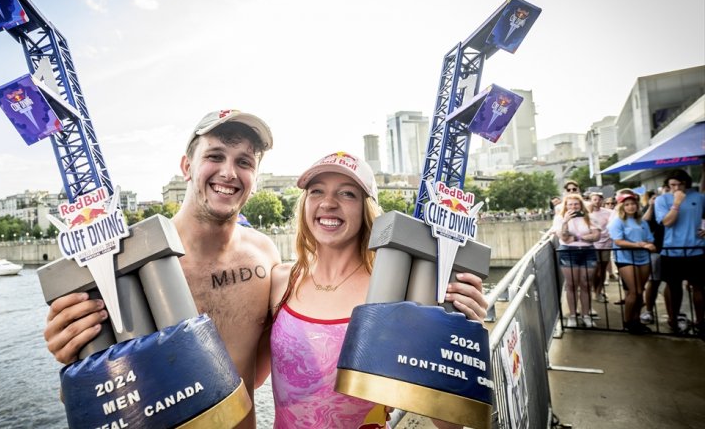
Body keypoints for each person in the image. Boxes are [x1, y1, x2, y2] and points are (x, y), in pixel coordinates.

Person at [43, 109, 282, 428]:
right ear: (187, 166)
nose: (228, 172)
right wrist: (70, 347)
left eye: (244, 161)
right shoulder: (127, 263)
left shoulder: (264, 255)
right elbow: (90, 396)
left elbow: (259, 373)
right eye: (215, 156)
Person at [260, 152, 487, 429]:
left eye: (347, 194)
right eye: (316, 191)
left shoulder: (395, 294)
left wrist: (462, 338)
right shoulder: (281, 281)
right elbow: (251, 376)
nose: (328, 203)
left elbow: (448, 423)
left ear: (367, 209)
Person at [654, 169, 705, 336]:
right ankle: (673, 319)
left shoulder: (699, 197)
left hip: (696, 249)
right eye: (672, 185)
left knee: (699, 287)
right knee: (674, 288)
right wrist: (676, 203)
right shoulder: (662, 200)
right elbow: (667, 223)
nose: (675, 187)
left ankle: (700, 321)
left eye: (679, 184)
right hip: (672, 251)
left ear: (686, 183)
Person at [607, 192, 656, 334]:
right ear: (622, 206)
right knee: (634, 292)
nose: (630, 207)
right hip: (625, 258)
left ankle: (637, 321)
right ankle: (628, 322)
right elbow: (618, 241)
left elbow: (649, 239)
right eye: (627, 204)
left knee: (641, 292)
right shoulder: (617, 221)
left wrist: (648, 245)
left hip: (643, 258)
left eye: (633, 204)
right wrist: (640, 245)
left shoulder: (643, 222)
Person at [553, 193, 600, 328]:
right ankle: (572, 315)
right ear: (565, 206)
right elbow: (564, 237)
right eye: (570, 204)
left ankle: (586, 315)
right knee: (571, 284)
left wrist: (577, 237)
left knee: (586, 284)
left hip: (588, 252)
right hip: (568, 252)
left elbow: (596, 236)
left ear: (581, 205)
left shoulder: (589, 217)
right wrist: (565, 222)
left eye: (576, 204)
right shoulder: (560, 218)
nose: (573, 207)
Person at [639, 189, 665, 324]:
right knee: (654, 282)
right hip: (655, 251)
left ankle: (676, 314)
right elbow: (645, 220)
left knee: (672, 284)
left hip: (671, 250)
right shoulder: (650, 208)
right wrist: (652, 205)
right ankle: (649, 311)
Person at [588, 192, 613, 305]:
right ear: (591, 200)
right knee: (595, 270)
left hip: (606, 243)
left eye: (599, 199)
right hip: (593, 244)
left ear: (602, 201)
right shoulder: (587, 213)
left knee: (602, 269)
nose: (597, 202)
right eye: (594, 199)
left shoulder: (609, 213)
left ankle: (599, 291)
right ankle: (595, 290)